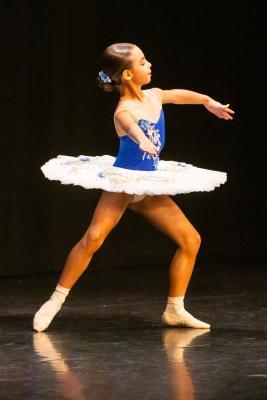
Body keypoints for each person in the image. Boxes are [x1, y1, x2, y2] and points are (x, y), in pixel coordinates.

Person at [33, 42, 234, 332]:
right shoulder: (123, 109)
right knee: (94, 238)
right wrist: (141, 139)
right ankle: (54, 301)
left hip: (148, 185)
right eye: (142, 62)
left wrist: (206, 100)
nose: (149, 64)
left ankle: (175, 309)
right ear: (127, 75)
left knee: (191, 239)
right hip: (124, 183)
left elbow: (176, 95)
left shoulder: (153, 95)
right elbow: (128, 123)